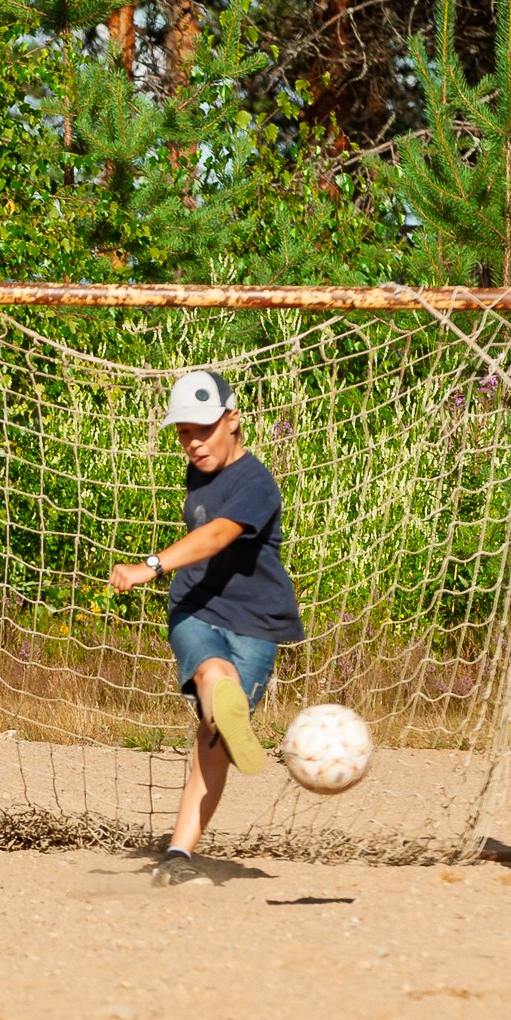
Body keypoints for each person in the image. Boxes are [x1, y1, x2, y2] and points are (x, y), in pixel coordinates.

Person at [107, 369, 305, 885]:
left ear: (233, 419)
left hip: (257, 625)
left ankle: (178, 852)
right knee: (213, 677)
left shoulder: (257, 483)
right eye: (183, 433)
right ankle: (220, 689)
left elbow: (218, 535)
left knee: (213, 736)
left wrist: (149, 565)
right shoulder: (200, 470)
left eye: (204, 429)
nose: (194, 443)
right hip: (195, 609)